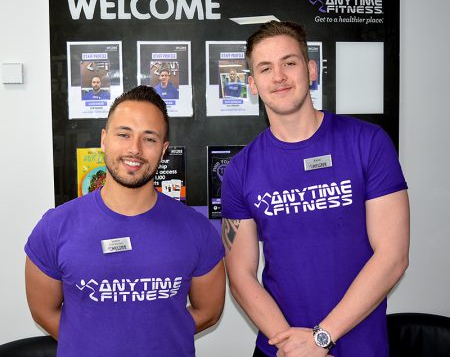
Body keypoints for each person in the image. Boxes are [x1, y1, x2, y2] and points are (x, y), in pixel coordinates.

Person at [221, 21, 409, 357]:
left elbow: (393, 257)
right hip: (281, 348)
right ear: (252, 83)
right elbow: (241, 276)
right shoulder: (240, 170)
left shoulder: (367, 142)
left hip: (359, 346)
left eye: (289, 63)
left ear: (310, 70)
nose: (278, 76)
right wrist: (294, 347)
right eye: (265, 68)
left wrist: (321, 337)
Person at [25, 85, 225, 357]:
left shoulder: (197, 229)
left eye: (150, 139)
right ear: (104, 139)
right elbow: (43, 311)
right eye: (124, 134)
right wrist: (93, 344)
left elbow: (209, 311)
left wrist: (158, 338)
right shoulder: (55, 227)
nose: (135, 149)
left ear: (164, 150)